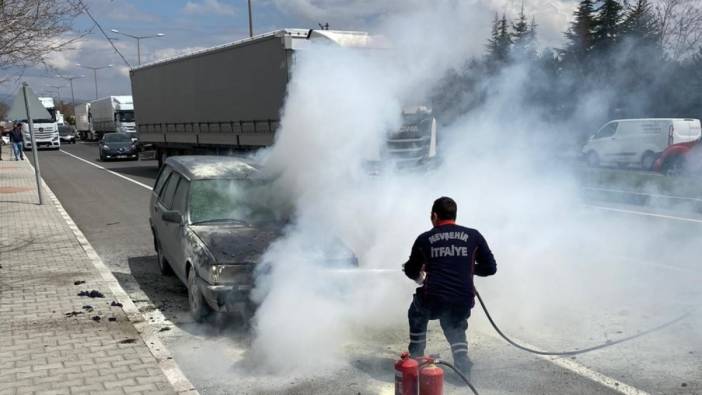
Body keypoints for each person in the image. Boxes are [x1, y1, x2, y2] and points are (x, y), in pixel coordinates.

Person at [403, 196, 497, 374]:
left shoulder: (424, 239)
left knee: (416, 311)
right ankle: (462, 364)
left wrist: (420, 274)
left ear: (434, 216)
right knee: (455, 323)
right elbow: (490, 268)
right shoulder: (473, 236)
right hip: (463, 299)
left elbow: (410, 270)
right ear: (454, 215)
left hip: (433, 300)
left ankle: (415, 357)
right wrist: (466, 267)